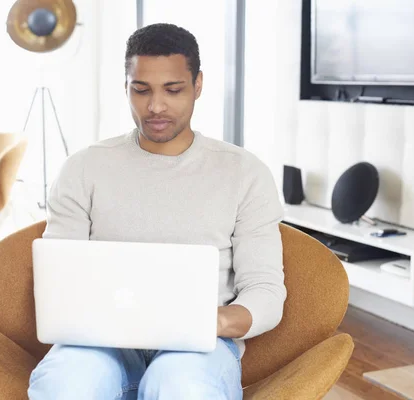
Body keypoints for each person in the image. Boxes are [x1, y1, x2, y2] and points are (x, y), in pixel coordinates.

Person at [28, 23, 286, 400]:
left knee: (180, 386)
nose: (156, 106)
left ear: (198, 85)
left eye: (173, 89)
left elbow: (264, 290)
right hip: (98, 341)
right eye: (141, 89)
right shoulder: (84, 167)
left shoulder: (244, 173)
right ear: (127, 88)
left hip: (199, 345)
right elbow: (58, 277)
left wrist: (211, 321)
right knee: (66, 384)